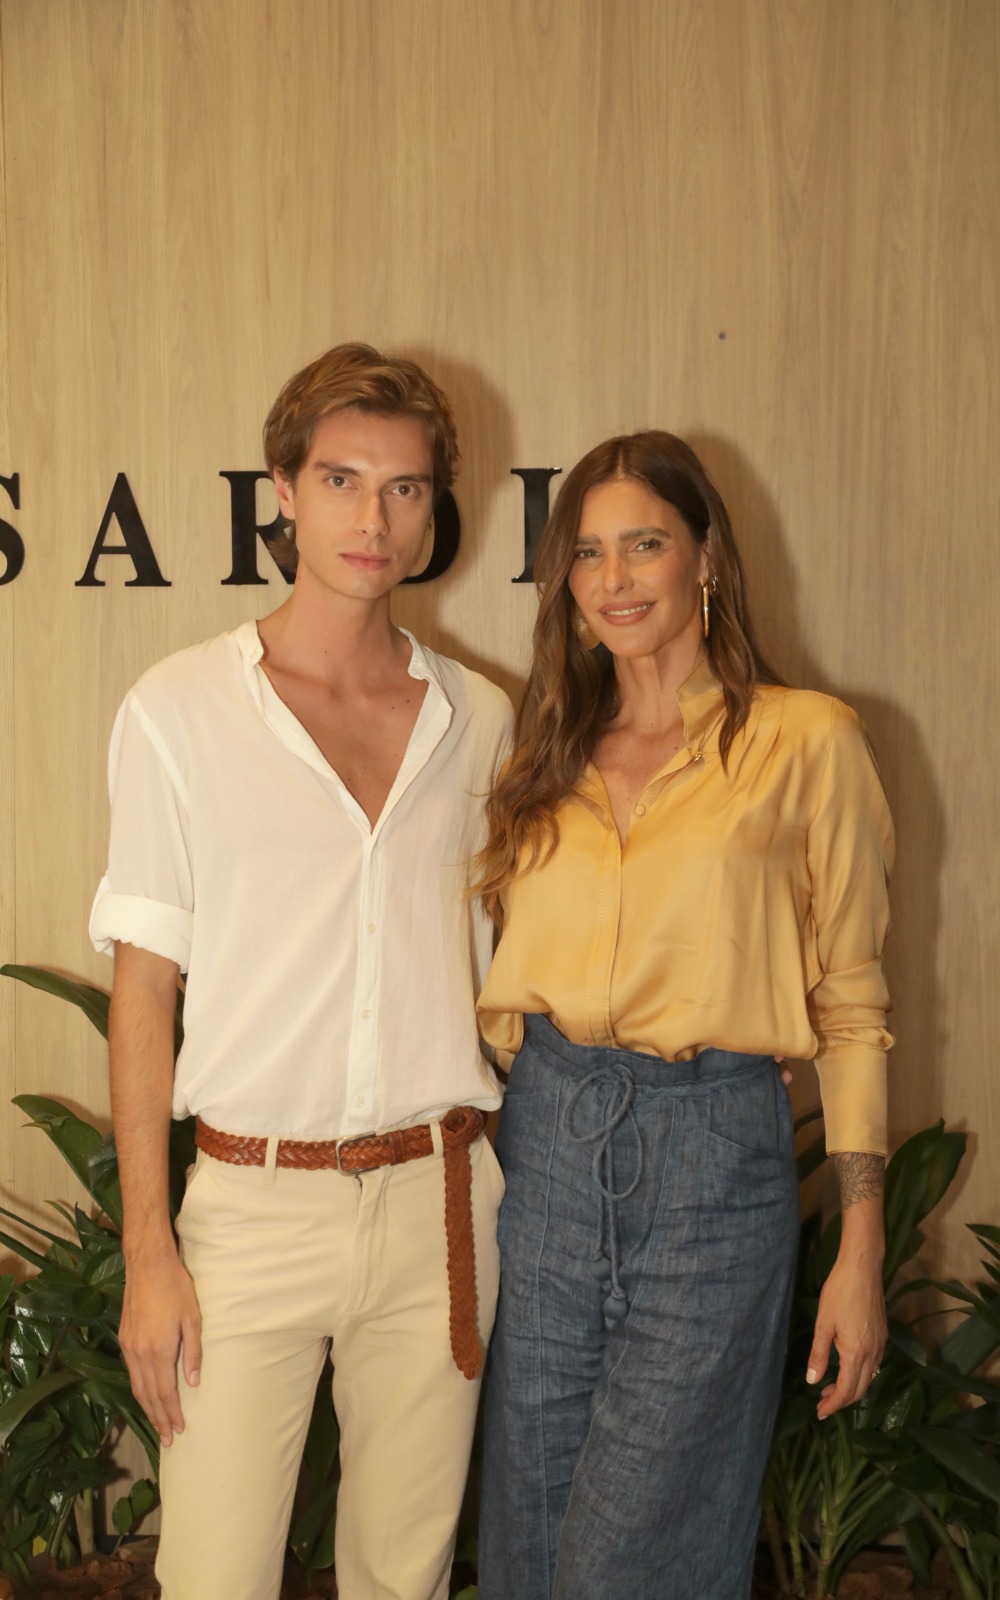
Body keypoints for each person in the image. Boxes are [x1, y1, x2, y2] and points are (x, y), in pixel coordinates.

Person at [89, 343, 512, 1600]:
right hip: (250, 1213)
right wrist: (150, 1251)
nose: (372, 519)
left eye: (404, 488)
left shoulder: (482, 721)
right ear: (282, 490)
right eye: (340, 480)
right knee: (213, 1578)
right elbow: (143, 990)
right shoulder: (177, 711)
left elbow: (524, 968)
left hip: (440, 1205)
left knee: (403, 1577)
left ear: (432, 511)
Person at [474, 431, 893, 1600]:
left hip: (713, 1165)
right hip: (546, 1149)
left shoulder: (807, 740)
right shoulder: (539, 752)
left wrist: (859, 1244)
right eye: (586, 553)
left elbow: (853, 1002)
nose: (612, 578)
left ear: (704, 556)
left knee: (629, 1565)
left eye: (643, 544)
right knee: (527, 1553)